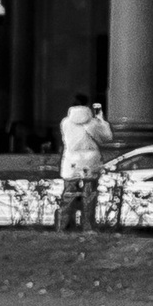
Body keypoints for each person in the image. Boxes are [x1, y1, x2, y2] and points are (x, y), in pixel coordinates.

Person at [54, 92, 114, 230]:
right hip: (90, 160)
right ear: (87, 105)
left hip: (71, 160)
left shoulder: (65, 122)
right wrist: (100, 119)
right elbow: (107, 137)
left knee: (69, 193)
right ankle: (88, 226)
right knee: (90, 194)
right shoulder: (93, 123)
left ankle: (64, 225)